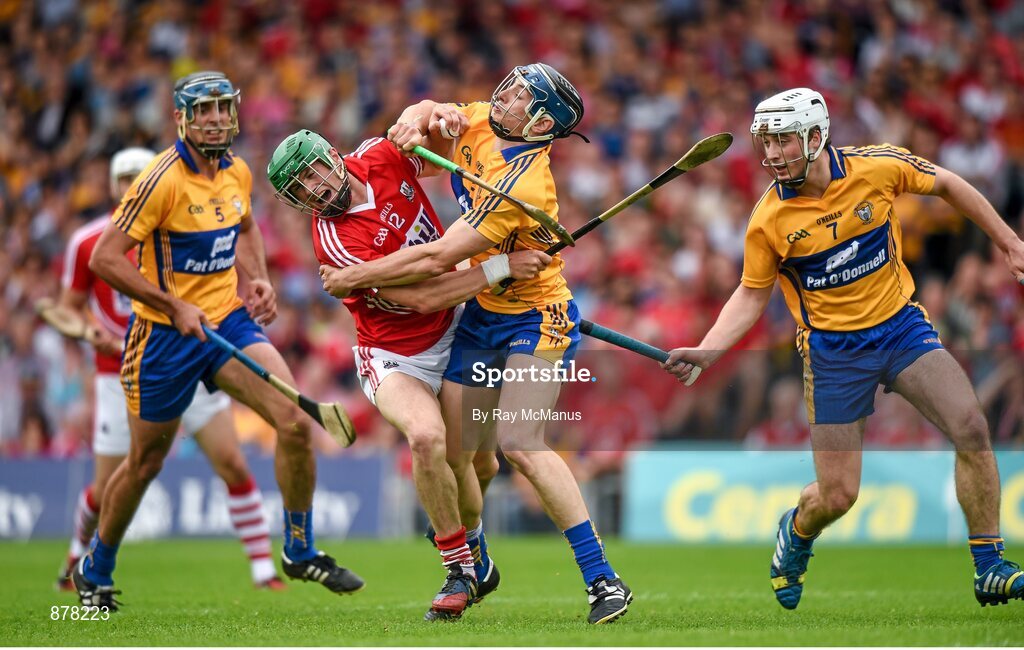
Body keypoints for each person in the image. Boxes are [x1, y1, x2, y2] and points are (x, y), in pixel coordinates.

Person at [663, 87, 1024, 609]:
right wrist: (707, 349)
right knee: (838, 496)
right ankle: (797, 530)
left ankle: (989, 563)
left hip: (901, 329)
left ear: (815, 136)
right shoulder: (768, 220)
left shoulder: (875, 167)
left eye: (783, 141)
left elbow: (946, 183)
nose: (770, 154)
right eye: (766, 142)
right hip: (833, 354)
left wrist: (1008, 241)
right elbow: (750, 294)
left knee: (969, 424)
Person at [320, 63, 632, 624]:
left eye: (518, 96)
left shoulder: (524, 183)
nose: (501, 95)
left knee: (519, 440)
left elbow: (437, 260)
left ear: (539, 124)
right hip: (481, 315)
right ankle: (477, 560)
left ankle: (602, 579)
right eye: (509, 86)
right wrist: (416, 119)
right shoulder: (489, 119)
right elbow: (432, 111)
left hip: (538, 316)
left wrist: (356, 276)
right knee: (460, 455)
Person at [72, 71, 363, 611]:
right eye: (202, 110)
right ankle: (96, 567)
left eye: (222, 108)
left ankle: (299, 550)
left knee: (295, 422)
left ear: (234, 113)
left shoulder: (238, 172)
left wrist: (257, 278)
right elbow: (104, 259)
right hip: (162, 339)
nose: (214, 119)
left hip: (226, 323)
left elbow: (246, 227)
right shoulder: (161, 180)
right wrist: (172, 304)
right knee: (143, 464)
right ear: (181, 119)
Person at [267, 128, 549, 619]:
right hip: (396, 354)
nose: (313, 189)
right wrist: (501, 266)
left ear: (333, 156)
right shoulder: (336, 246)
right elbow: (421, 298)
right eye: (299, 189)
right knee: (425, 438)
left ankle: (472, 546)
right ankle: (459, 566)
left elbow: (446, 159)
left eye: (312, 172)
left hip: (460, 331)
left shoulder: (379, 156)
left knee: (481, 468)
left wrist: (494, 194)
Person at [56, 147, 283, 592]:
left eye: (136, 178)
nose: (130, 186)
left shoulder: (185, 223)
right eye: (123, 178)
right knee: (111, 485)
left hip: (193, 350)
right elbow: (68, 310)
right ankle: (75, 561)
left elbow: (232, 244)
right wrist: (91, 335)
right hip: (121, 369)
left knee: (232, 461)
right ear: (112, 185)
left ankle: (263, 571)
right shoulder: (89, 243)